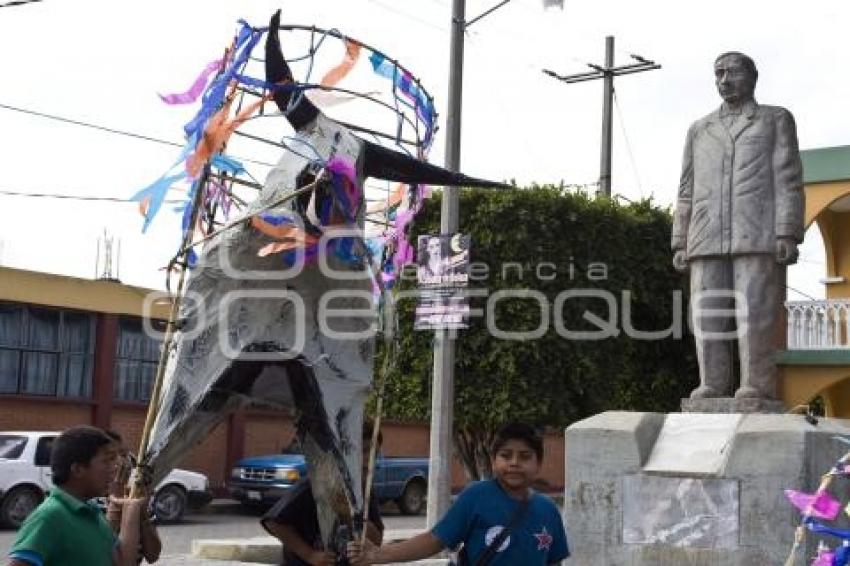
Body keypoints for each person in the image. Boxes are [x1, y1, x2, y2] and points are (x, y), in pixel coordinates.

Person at [672, 51, 804, 400]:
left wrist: (786, 230)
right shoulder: (699, 129)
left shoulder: (775, 119)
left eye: (732, 72)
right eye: (718, 74)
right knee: (706, 314)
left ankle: (755, 385)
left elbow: (788, 176)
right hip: (705, 234)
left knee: (755, 313)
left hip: (756, 232)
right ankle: (712, 383)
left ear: (752, 77)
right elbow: (686, 187)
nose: (724, 81)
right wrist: (679, 240)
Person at [347, 423, 569, 565]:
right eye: (506, 455)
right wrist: (378, 554)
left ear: (538, 463)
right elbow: (434, 540)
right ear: (493, 461)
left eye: (524, 456)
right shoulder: (477, 496)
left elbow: (553, 561)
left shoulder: (547, 510)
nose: (514, 463)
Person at [7, 425, 145, 566]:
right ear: (78, 470)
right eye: (106, 461)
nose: (115, 467)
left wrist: (131, 511)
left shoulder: (93, 513)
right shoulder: (50, 516)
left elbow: (123, 563)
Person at [261, 423, 386, 566]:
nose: (369, 459)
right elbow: (275, 523)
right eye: (362, 450)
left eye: (374, 453)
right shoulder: (317, 484)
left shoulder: (365, 490)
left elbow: (376, 541)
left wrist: (351, 517)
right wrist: (310, 555)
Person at [104, 430, 162, 564]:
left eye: (125, 455)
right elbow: (103, 551)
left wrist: (141, 512)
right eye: (111, 457)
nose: (123, 462)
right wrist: (116, 500)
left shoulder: (135, 496)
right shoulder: (92, 500)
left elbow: (153, 555)